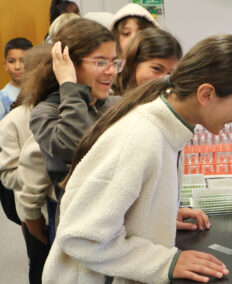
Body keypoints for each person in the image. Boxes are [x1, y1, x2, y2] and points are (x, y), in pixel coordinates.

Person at [42, 34, 232, 283]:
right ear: (206, 94)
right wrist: (164, 262)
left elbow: (120, 202)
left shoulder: (169, 128)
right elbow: (81, 236)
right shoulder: (142, 138)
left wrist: (157, 214)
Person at [28, 18, 123, 244]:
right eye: (100, 62)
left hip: (120, 221)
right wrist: (69, 86)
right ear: (69, 63)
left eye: (115, 62)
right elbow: (74, 147)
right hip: (81, 230)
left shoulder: (115, 105)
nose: (111, 72)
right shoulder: (45, 112)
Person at [0, 44, 54, 284]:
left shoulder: (75, 111)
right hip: (35, 216)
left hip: (68, 214)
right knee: (41, 268)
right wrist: (39, 175)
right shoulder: (14, 121)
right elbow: (8, 175)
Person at [113, 27, 182, 95]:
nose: (164, 79)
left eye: (169, 74)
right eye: (157, 69)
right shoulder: (108, 98)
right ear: (134, 63)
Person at [0, 37, 33, 119]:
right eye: (11, 61)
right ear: (5, 65)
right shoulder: (3, 98)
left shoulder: (42, 90)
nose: (17, 67)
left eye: (23, 60)